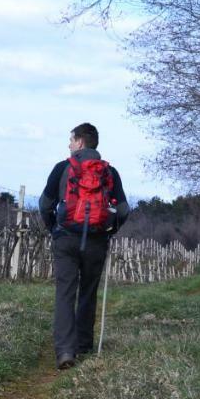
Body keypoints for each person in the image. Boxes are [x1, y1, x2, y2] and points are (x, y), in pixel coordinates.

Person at [38, 123, 130, 369]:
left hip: (66, 238)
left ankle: (66, 351)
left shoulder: (62, 168)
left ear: (80, 142)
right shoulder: (110, 172)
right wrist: (110, 230)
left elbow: (44, 204)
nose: (69, 145)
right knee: (88, 292)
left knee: (65, 293)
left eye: (71, 140)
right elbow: (123, 210)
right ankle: (84, 344)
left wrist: (53, 229)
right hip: (97, 241)